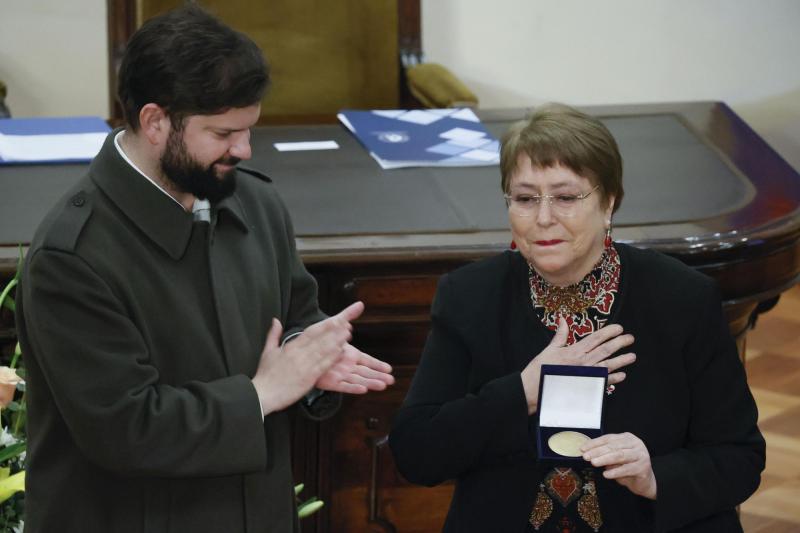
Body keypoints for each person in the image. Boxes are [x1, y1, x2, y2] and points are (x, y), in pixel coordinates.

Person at [16, 6, 394, 533]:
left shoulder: (256, 205)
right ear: (155, 122)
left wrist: (312, 362)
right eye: (222, 134)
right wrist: (264, 391)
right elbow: (126, 428)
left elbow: (297, 315)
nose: (243, 149)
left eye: (248, 130)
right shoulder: (71, 259)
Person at [389, 103, 765, 532]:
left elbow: (739, 456)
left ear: (609, 202)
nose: (543, 217)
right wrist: (523, 391)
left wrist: (655, 477)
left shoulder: (681, 299)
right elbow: (415, 453)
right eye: (526, 198)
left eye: (566, 197)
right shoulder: (470, 297)